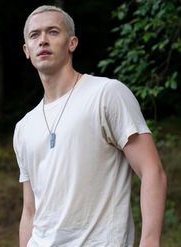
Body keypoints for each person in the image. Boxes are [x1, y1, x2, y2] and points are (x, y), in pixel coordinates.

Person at [13, 5, 167, 247]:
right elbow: (30, 209)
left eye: (53, 32)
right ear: (26, 50)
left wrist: (149, 241)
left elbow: (152, 171)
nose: (42, 40)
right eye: (34, 35)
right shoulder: (24, 127)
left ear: (72, 42)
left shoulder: (106, 94)